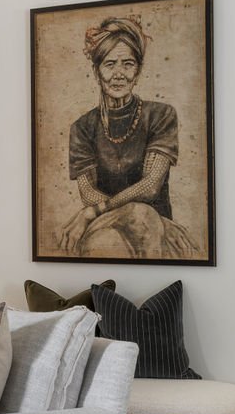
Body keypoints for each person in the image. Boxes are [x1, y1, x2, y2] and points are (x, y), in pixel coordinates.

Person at [58, 15, 197, 259]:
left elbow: (150, 187)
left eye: (128, 64)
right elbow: (87, 193)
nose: (119, 73)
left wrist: (91, 212)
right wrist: (124, 210)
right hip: (107, 223)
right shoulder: (82, 127)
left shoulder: (160, 115)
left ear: (138, 70)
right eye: (110, 64)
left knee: (142, 217)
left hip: (155, 226)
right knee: (113, 232)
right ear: (97, 71)